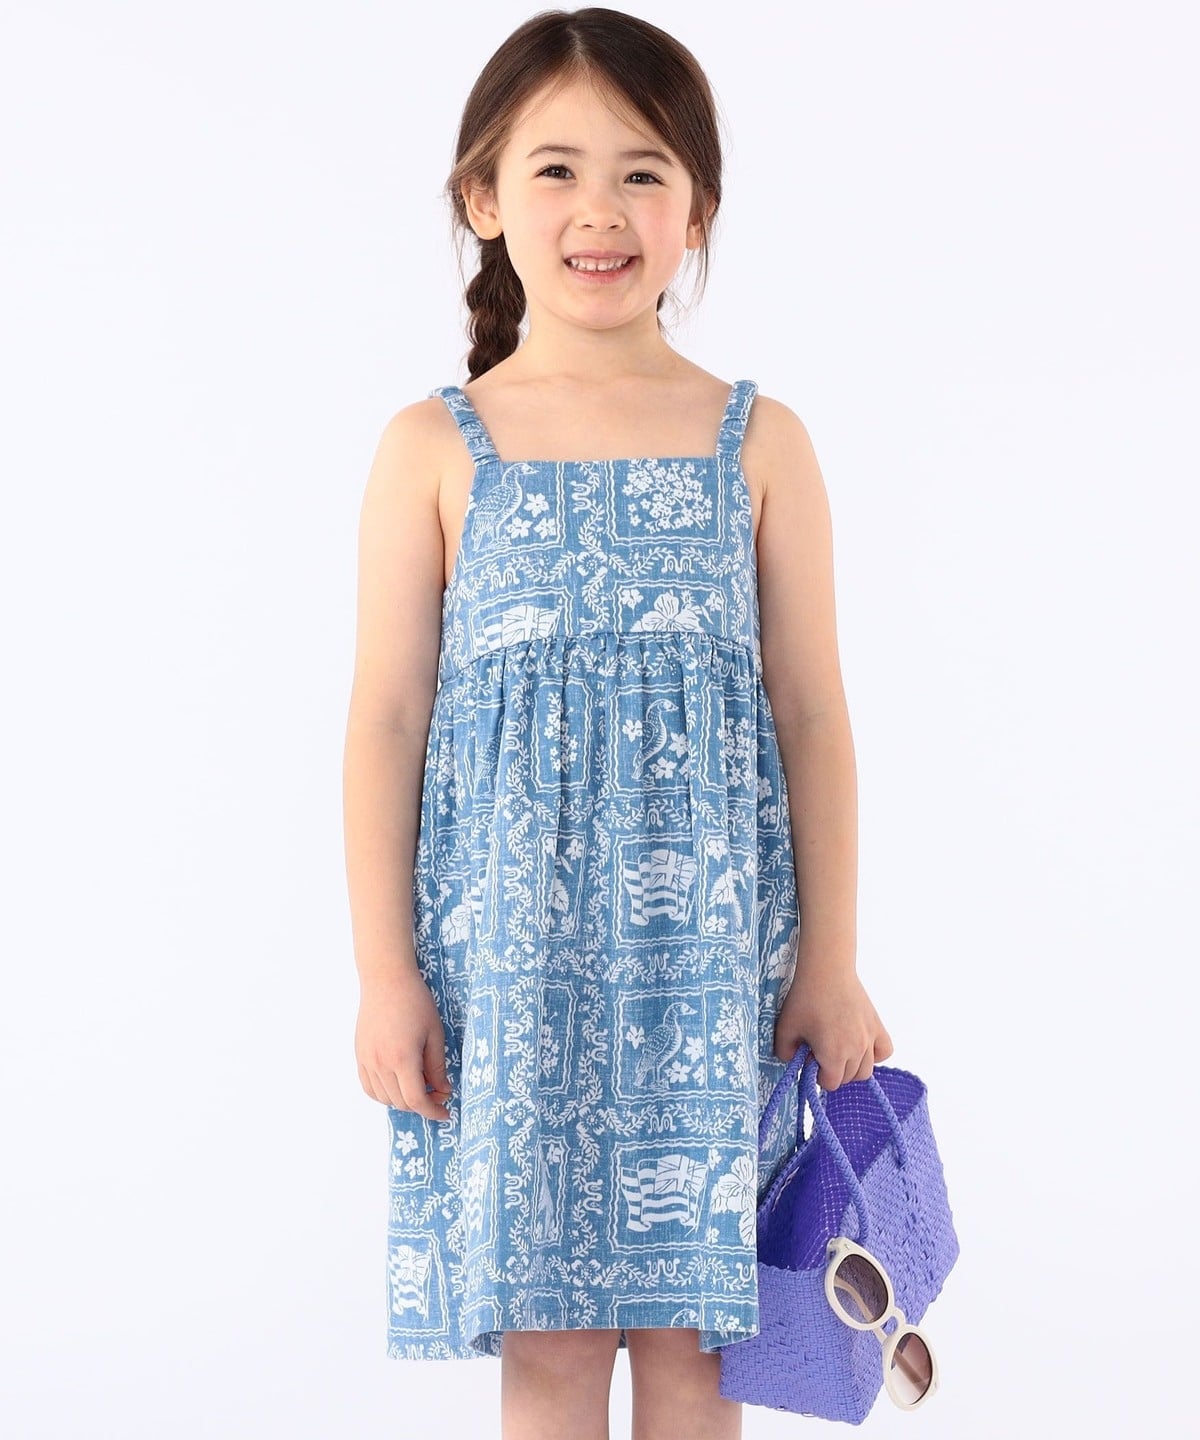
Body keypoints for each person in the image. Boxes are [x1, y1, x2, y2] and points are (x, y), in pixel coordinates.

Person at [342, 7, 893, 1438]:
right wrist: (386, 975)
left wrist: (831, 964)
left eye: (644, 173)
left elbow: (813, 713)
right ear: (483, 198)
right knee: (551, 1347)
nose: (601, 211)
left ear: (696, 209)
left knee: (700, 1345)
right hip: (509, 971)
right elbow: (387, 719)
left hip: (714, 966)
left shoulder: (760, 441)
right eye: (557, 171)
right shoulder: (433, 446)